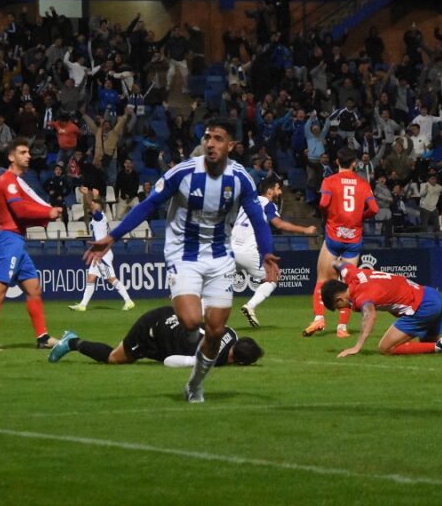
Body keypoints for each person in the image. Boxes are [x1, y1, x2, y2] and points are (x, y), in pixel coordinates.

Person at [84, 117, 280, 403]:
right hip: (183, 254)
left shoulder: (240, 178)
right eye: (208, 137)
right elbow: (150, 204)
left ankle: (195, 385)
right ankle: (175, 339)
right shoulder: (183, 172)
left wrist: (267, 253)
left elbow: (257, 218)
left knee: (215, 330)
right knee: (190, 320)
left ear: (231, 146)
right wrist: (114, 236)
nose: (211, 144)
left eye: (218, 139)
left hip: (220, 256)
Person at [0, 138, 64, 352]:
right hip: (8, 241)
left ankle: (42, 337)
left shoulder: (15, 181)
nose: (28, 155)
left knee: (34, 289)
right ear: (11, 157)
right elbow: (21, 211)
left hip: (17, 241)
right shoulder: (8, 181)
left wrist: (47, 216)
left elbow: (22, 216)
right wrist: (47, 212)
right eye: (23, 152)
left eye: (28, 152)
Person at [321, 262, 442, 357]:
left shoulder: (362, 296)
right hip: (433, 296)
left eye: (338, 306)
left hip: (422, 306)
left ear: (339, 299)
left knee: (386, 347)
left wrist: (357, 347)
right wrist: (331, 266)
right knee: (429, 344)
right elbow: (339, 263)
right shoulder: (352, 273)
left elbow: (369, 316)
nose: (342, 309)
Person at [303, 148, 378, 339]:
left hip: (334, 236)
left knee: (322, 280)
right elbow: (374, 209)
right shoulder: (363, 183)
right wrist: (360, 216)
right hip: (353, 240)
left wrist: (329, 214)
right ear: (354, 163)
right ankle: (342, 328)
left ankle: (319, 318)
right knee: (346, 284)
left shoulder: (329, 181)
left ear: (337, 162)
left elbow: (322, 203)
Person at [48, 305, 263, 367]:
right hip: (152, 330)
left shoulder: (231, 333)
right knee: (115, 358)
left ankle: (72, 341)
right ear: (239, 362)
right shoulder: (215, 358)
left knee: (122, 355)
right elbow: (170, 361)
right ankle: (73, 342)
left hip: (171, 316)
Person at [233, 178, 316, 327]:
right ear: (269, 190)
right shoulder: (267, 204)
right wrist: (305, 230)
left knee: (217, 285)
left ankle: (189, 316)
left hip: (230, 250)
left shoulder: (246, 203)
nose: (280, 192)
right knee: (273, 277)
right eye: (278, 188)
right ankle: (250, 306)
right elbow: (279, 224)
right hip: (247, 251)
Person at [69, 187, 135, 312]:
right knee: (91, 277)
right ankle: (83, 305)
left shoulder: (99, 217)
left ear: (97, 208)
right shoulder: (98, 218)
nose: (91, 205)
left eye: (94, 204)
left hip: (103, 254)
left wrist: (86, 193)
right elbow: (90, 205)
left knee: (111, 279)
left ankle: (128, 301)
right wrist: (93, 196)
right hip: (98, 253)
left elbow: (90, 204)